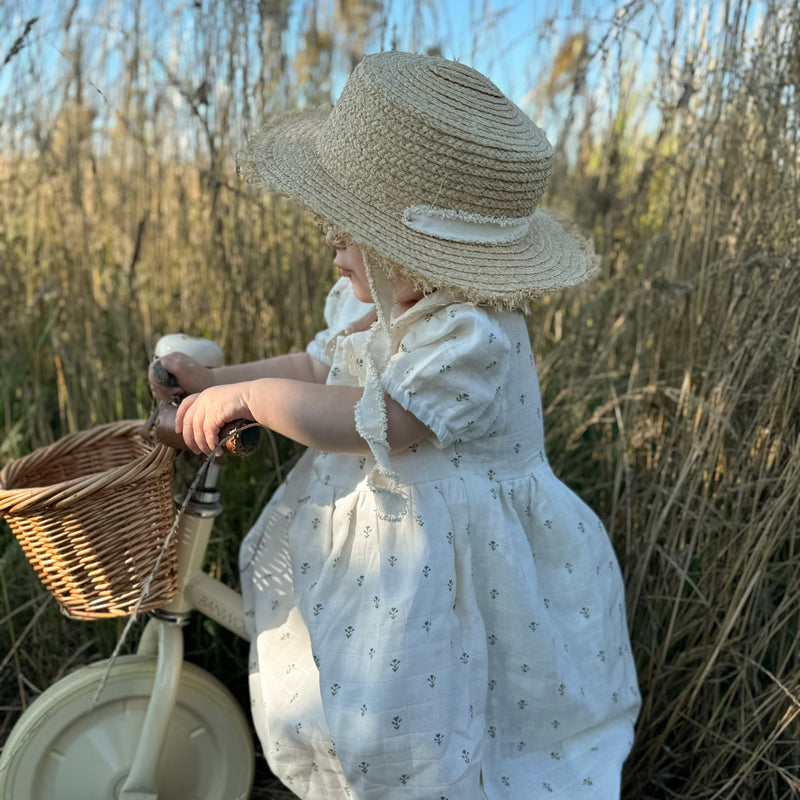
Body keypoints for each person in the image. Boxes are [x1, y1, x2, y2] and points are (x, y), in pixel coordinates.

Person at [151, 50, 640, 800]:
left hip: (450, 561)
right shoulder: (373, 299)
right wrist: (219, 381)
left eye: (349, 232)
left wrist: (251, 406)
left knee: (437, 704)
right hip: (379, 542)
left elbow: (377, 420)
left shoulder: (473, 337)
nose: (331, 246)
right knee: (345, 681)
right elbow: (320, 371)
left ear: (423, 255)